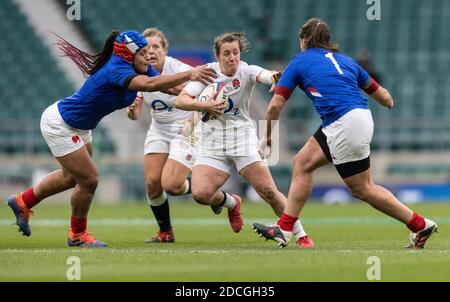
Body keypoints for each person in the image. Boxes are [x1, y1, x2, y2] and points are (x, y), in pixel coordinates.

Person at [6, 30, 216, 247]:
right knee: (89, 180)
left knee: (71, 178)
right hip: (61, 124)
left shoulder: (139, 65)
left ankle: (23, 201)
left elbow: (168, 87)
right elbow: (149, 85)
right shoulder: (118, 68)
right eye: (143, 53)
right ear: (129, 54)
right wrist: (190, 74)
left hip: (80, 126)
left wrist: (202, 98)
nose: (148, 57)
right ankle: (77, 235)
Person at [252, 18, 438, 249]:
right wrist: (389, 103)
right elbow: (384, 97)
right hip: (358, 117)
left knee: (363, 189)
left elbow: (274, 106)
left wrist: (267, 135)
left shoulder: (299, 61)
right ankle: (286, 227)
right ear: (328, 41)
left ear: (304, 40)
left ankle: (420, 225)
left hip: (343, 123)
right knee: (303, 162)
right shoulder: (346, 61)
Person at [175, 32, 314, 248]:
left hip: (242, 139)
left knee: (268, 191)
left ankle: (301, 235)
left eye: (236, 53)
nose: (232, 58)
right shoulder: (208, 74)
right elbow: (181, 100)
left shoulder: (246, 71)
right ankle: (232, 203)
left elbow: (266, 75)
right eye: (227, 53)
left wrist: (276, 77)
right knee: (201, 194)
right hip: (212, 143)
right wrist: (205, 106)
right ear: (217, 56)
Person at [126, 28, 219, 243]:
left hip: (186, 128)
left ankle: (214, 195)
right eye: (145, 48)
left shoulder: (180, 69)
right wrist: (131, 111)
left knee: (173, 185)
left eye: (156, 47)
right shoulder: (139, 72)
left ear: (165, 50)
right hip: (159, 129)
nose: (150, 52)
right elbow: (134, 113)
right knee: (152, 184)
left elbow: (206, 96)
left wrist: (192, 121)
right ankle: (165, 233)